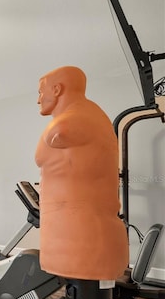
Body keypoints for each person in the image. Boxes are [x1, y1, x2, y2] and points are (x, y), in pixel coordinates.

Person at [35, 66, 127, 281]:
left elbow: (66, 131)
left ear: (57, 89)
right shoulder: (87, 114)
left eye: (41, 92)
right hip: (69, 230)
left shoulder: (72, 121)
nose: (38, 100)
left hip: (83, 236)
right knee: (80, 298)